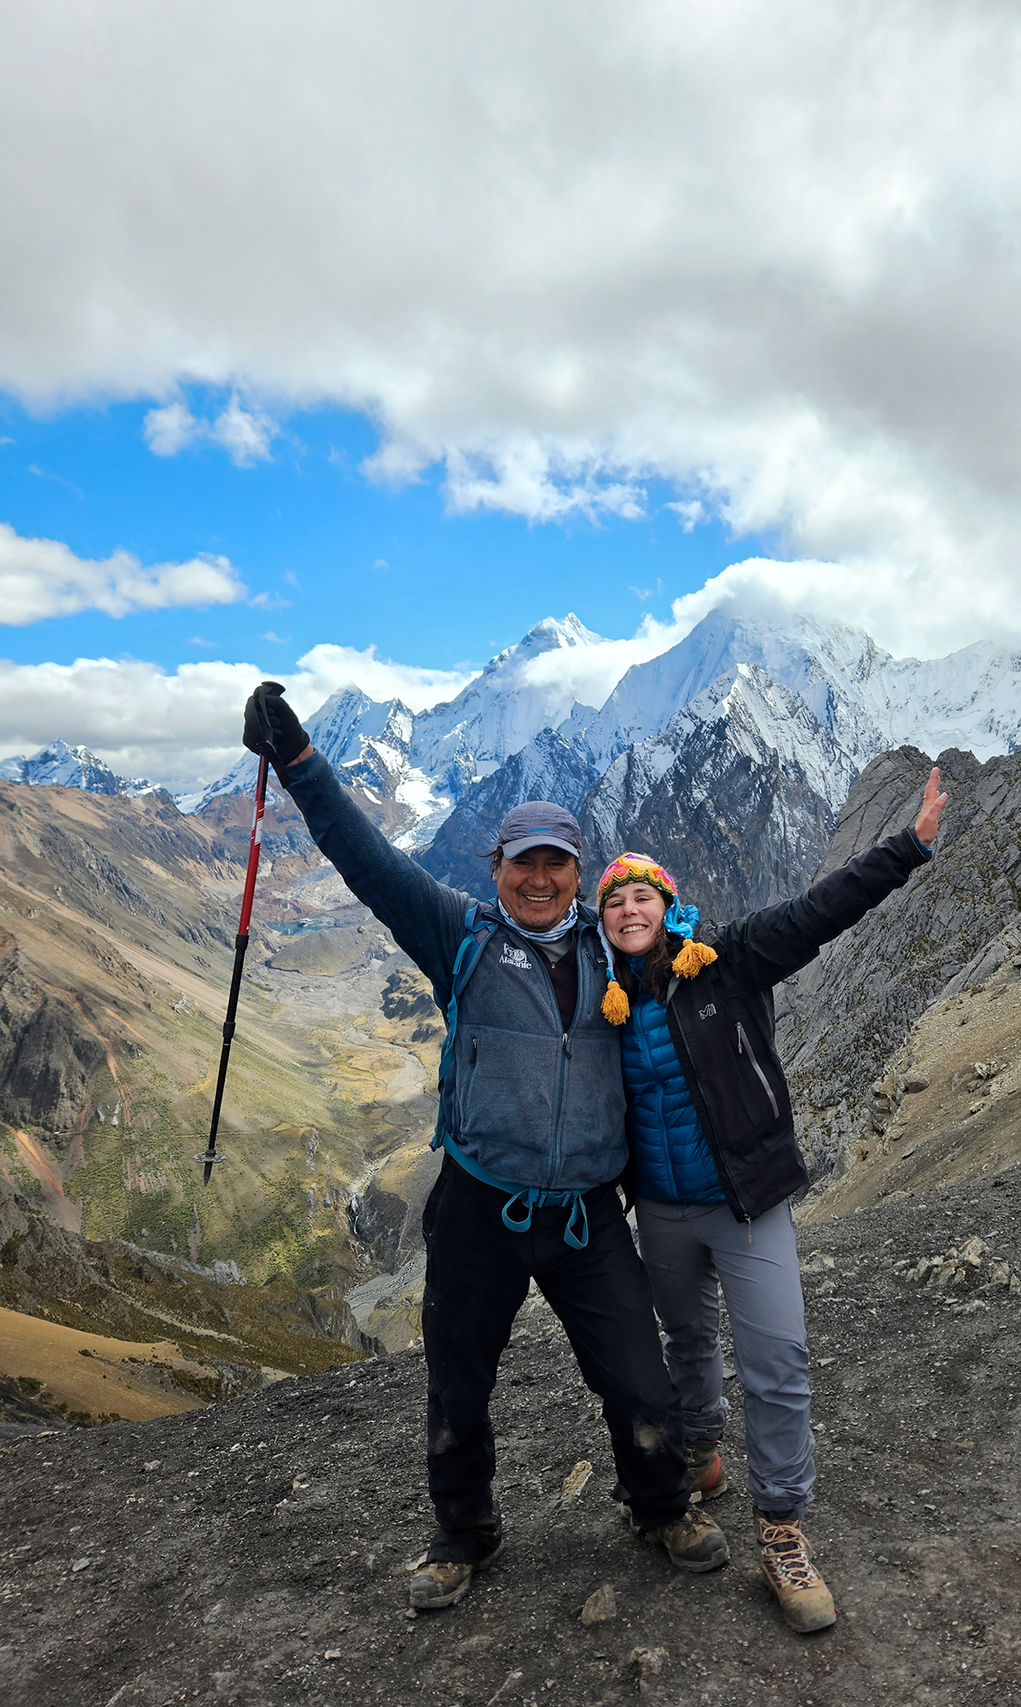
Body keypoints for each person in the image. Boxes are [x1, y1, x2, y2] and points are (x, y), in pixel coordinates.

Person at [242, 682, 728, 1613]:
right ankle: (462, 1532)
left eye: (556, 864)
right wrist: (299, 761)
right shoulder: (456, 934)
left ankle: (660, 1501)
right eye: (522, 864)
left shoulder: (619, 948)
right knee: (457, 1383)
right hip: (477, 1205)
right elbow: (367, 858)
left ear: (579, 873)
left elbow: (723, 949)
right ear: (496, 867)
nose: (538, 879)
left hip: (587, 1212)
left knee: (638, 1377)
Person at [593, 767, 948, 1633]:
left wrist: (907, 848)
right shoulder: (594, 1001)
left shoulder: (727, 959)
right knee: (684, 1343)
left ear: (667, 905)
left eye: (643, 896)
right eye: (614, 903)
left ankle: (782, 1526)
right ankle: (704, 1453)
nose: (630, 910)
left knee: (779, 1361)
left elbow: (820, 912)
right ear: (600, 922)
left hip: (746, 1202)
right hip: (662, 1213)